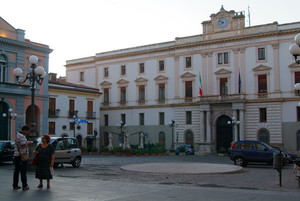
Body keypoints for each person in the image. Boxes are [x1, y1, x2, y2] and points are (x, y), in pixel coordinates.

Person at [13, 125, 33, 190]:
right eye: (28, 131)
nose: (28, 132)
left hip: (16, 154)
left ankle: (15, 184)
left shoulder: (17, 135)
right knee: (23, 171)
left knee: (16, 170)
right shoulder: (22, 136)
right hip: (22, 155)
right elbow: (23, 145)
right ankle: (25, 185)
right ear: (25, 130)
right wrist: (28, 143)